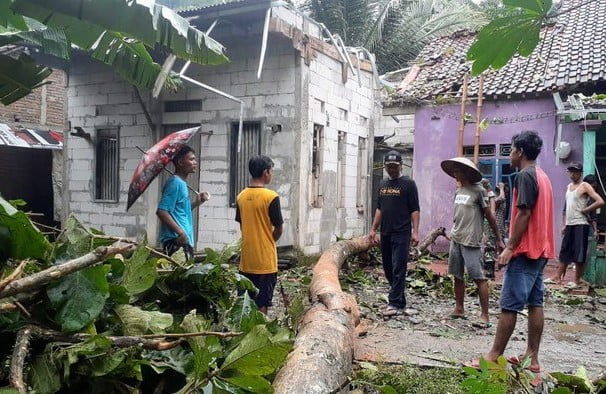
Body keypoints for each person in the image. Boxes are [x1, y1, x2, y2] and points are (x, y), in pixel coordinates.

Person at [476, 130, 555, 373]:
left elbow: (524, 213)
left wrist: (510, 247)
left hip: (526, 250)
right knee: (535, 302)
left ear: (520, 152)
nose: (510, 154)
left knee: (510, 304)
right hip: (541, 250)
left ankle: (493, 355)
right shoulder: (543, 176)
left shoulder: (525, 175)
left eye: (510, 149)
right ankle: (532, 358)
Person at [441, 157, 504, 328]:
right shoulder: (459, 191)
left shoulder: (478, 191)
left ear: (467, 172)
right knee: (457, 275)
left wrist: (498, 238)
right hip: (457, 238)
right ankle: (459, 308)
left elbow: (489, 215)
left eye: (458, 170)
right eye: (453, 170)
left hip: (472, 240)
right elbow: (458, 216)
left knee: (478, 277)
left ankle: (485, 315)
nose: (455, 173)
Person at [368, 150, 420, 317]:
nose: (391, 169)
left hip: (402, 232)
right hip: (386, 232)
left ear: (400, 166)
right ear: (385, 166)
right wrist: (373, 229)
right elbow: (379, 209)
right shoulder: (382, 185)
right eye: (389, 166)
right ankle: (400, 301)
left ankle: (394, 303)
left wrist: (416, 231)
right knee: (388, 268)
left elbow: (415, 210)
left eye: (394, 166)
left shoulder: (408, 184)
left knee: (399, 267)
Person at [235, 155, 283, 314]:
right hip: (265, 261)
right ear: (266, 172)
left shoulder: (241, 196)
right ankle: (259, 333)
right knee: (262, 302)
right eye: (271, 171)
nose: (271, 174)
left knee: (245, 302)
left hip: (246, 260)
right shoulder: (271, 197)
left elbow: (242, 226)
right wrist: (269, 240)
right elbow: (278, 228)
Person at [545, 163, 604, 288]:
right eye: (570, 171)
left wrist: (586, 210)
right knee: (564, 251)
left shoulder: (585, 186)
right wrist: (565, 224)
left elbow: (600, 201)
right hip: (570, 224)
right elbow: (567, 208)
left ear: (580, 173)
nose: (572, 174)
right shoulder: (569, 186)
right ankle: (557, 277)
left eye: (575, 172)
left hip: (581, 224)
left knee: (579, 253)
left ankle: (577, 280)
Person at [156, 146, 207, 260]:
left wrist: (197, 202)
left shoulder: (181, 183)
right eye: (191, 159)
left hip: (183, 240)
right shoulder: (175, 183)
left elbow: (180, 211)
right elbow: (162, 211)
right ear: (180, 162)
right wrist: (181, 233)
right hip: (176, 241)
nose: (195, 162)